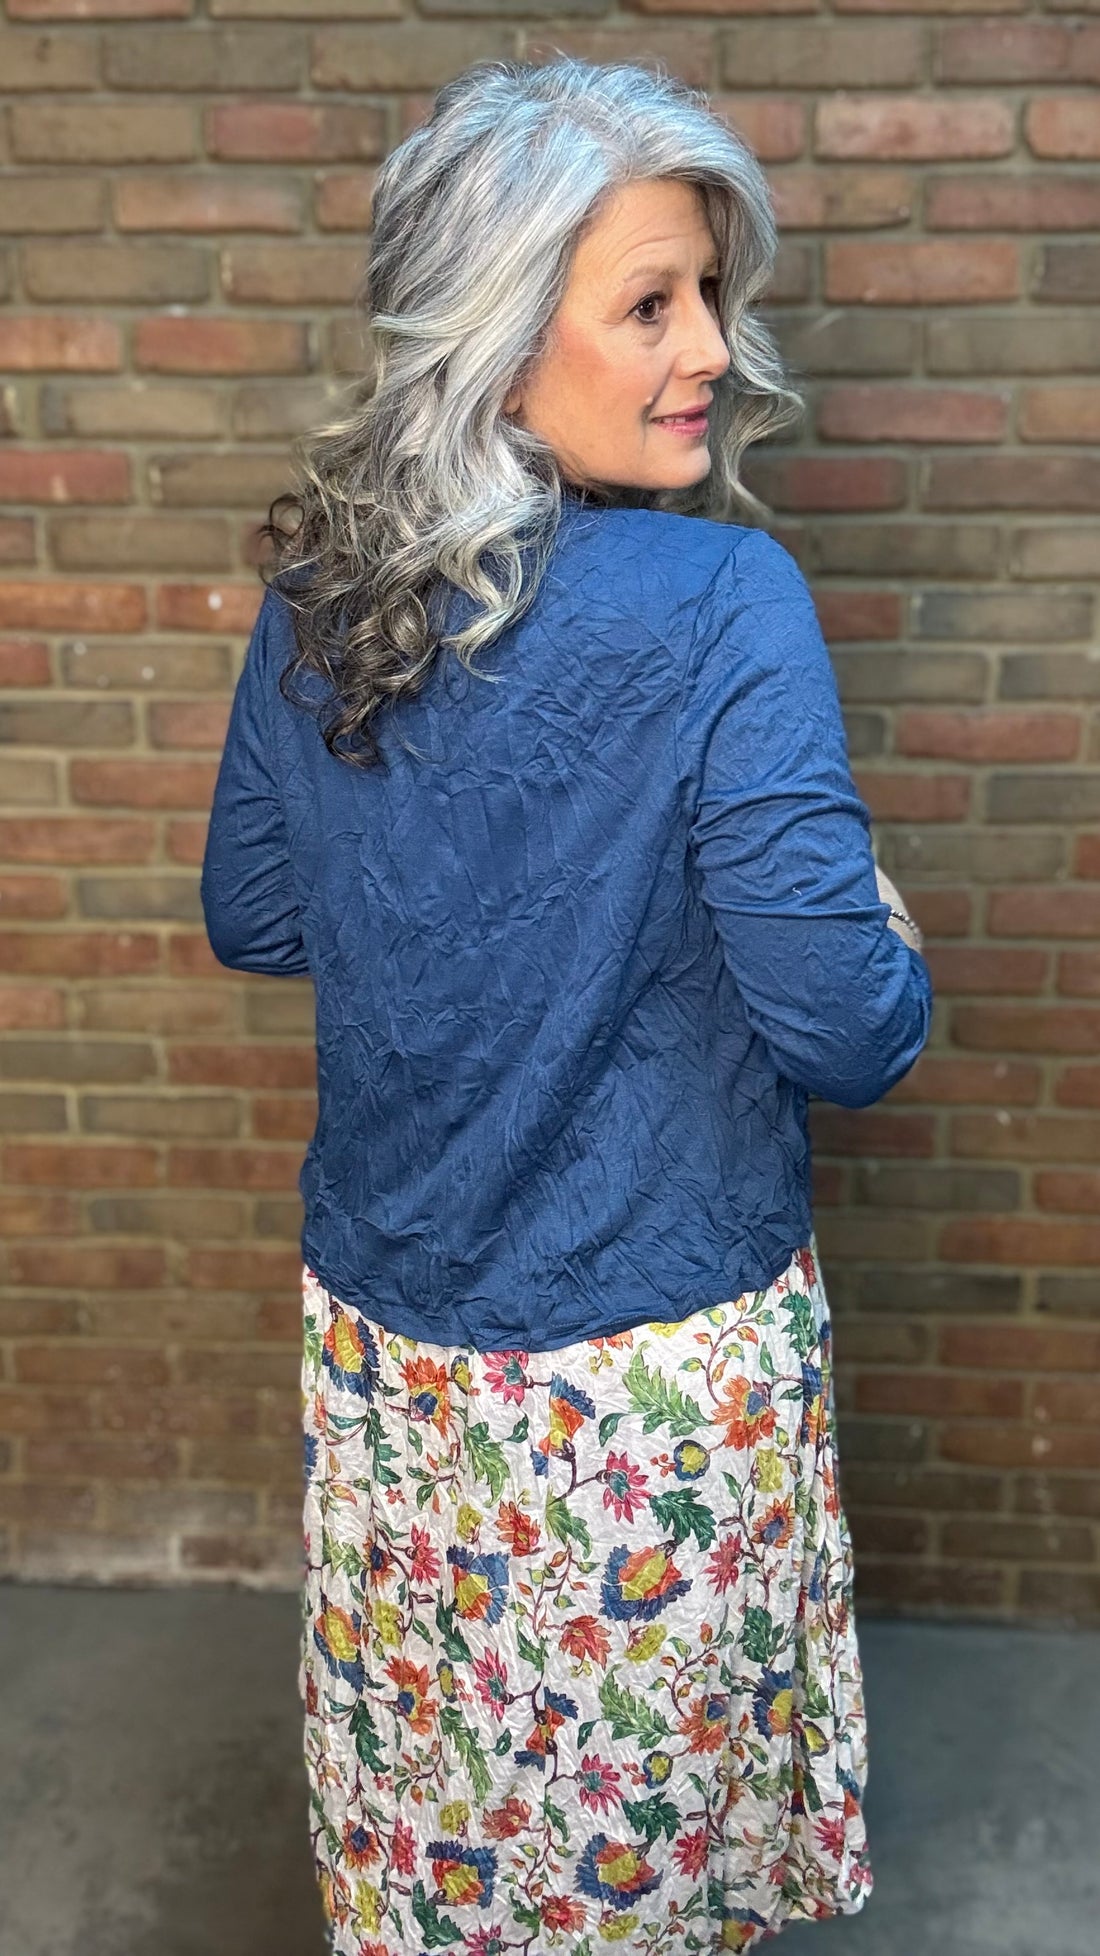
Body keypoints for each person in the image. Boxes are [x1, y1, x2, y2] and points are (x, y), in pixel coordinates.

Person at [201, 54, 932, 1956]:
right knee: (642, 1878)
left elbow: (260, 914)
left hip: (398, 1380)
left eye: (709, 293)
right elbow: (852, 1027)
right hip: (646, 1390)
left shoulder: (321, 602)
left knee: (447, 1864)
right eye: (651, 300)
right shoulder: (723, 605)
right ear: (498, 333)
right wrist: (874, 912)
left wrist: (450, 896)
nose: (710, 347)